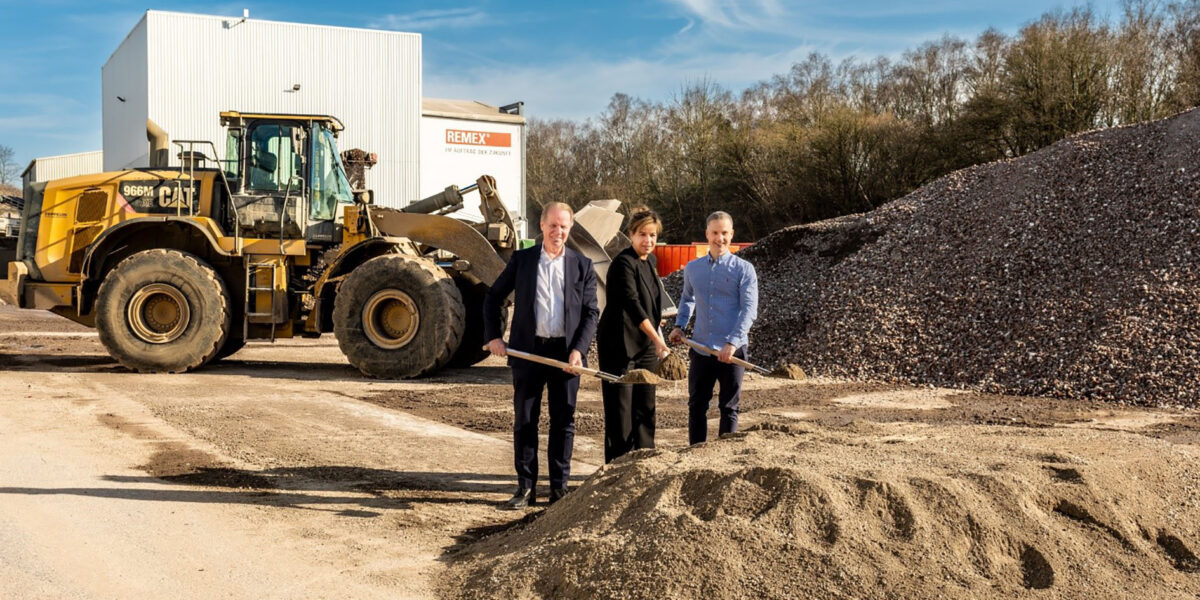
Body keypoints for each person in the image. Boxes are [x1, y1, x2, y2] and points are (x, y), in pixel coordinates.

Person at [484, 202, 599, 509]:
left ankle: (559, 490)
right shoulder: (523, 261)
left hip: (565, 357)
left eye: (563, 226)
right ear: (542, 225)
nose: (557, 232)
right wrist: (494, 337)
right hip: (527, 352)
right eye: (552, 225)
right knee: (525, 421)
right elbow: (494, 298)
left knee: (563, 422)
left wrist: (579, 350)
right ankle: (525, 488)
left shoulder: (583, 266)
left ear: (569, 229)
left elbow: (591, 313)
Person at [668, 211, 758, 445]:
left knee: (729, 407)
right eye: (715, 233)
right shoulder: (692, 269)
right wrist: (680, 326)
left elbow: (749, 310)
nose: (720, 238)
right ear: (707, 234)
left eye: (725, 233)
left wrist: (732, 342)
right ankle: (695, 454)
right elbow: (687, 299)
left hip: (732, 352)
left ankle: (724, 458)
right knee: (697, 405)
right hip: (701, 349)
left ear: (732, 234)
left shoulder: (744, 269)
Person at [596, 209, 672, 463]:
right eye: (643, 235)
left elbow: (651, 305)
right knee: (622, 409)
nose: (648, 240)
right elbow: (633, 306)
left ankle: (645, 460)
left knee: (646, 405)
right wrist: (659, 341)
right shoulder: (622, 264)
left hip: (644, 345)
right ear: (631, 235)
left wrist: (656, 334)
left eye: (652, 235)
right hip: (619, 345)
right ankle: (618, 465)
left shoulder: (650, 262)